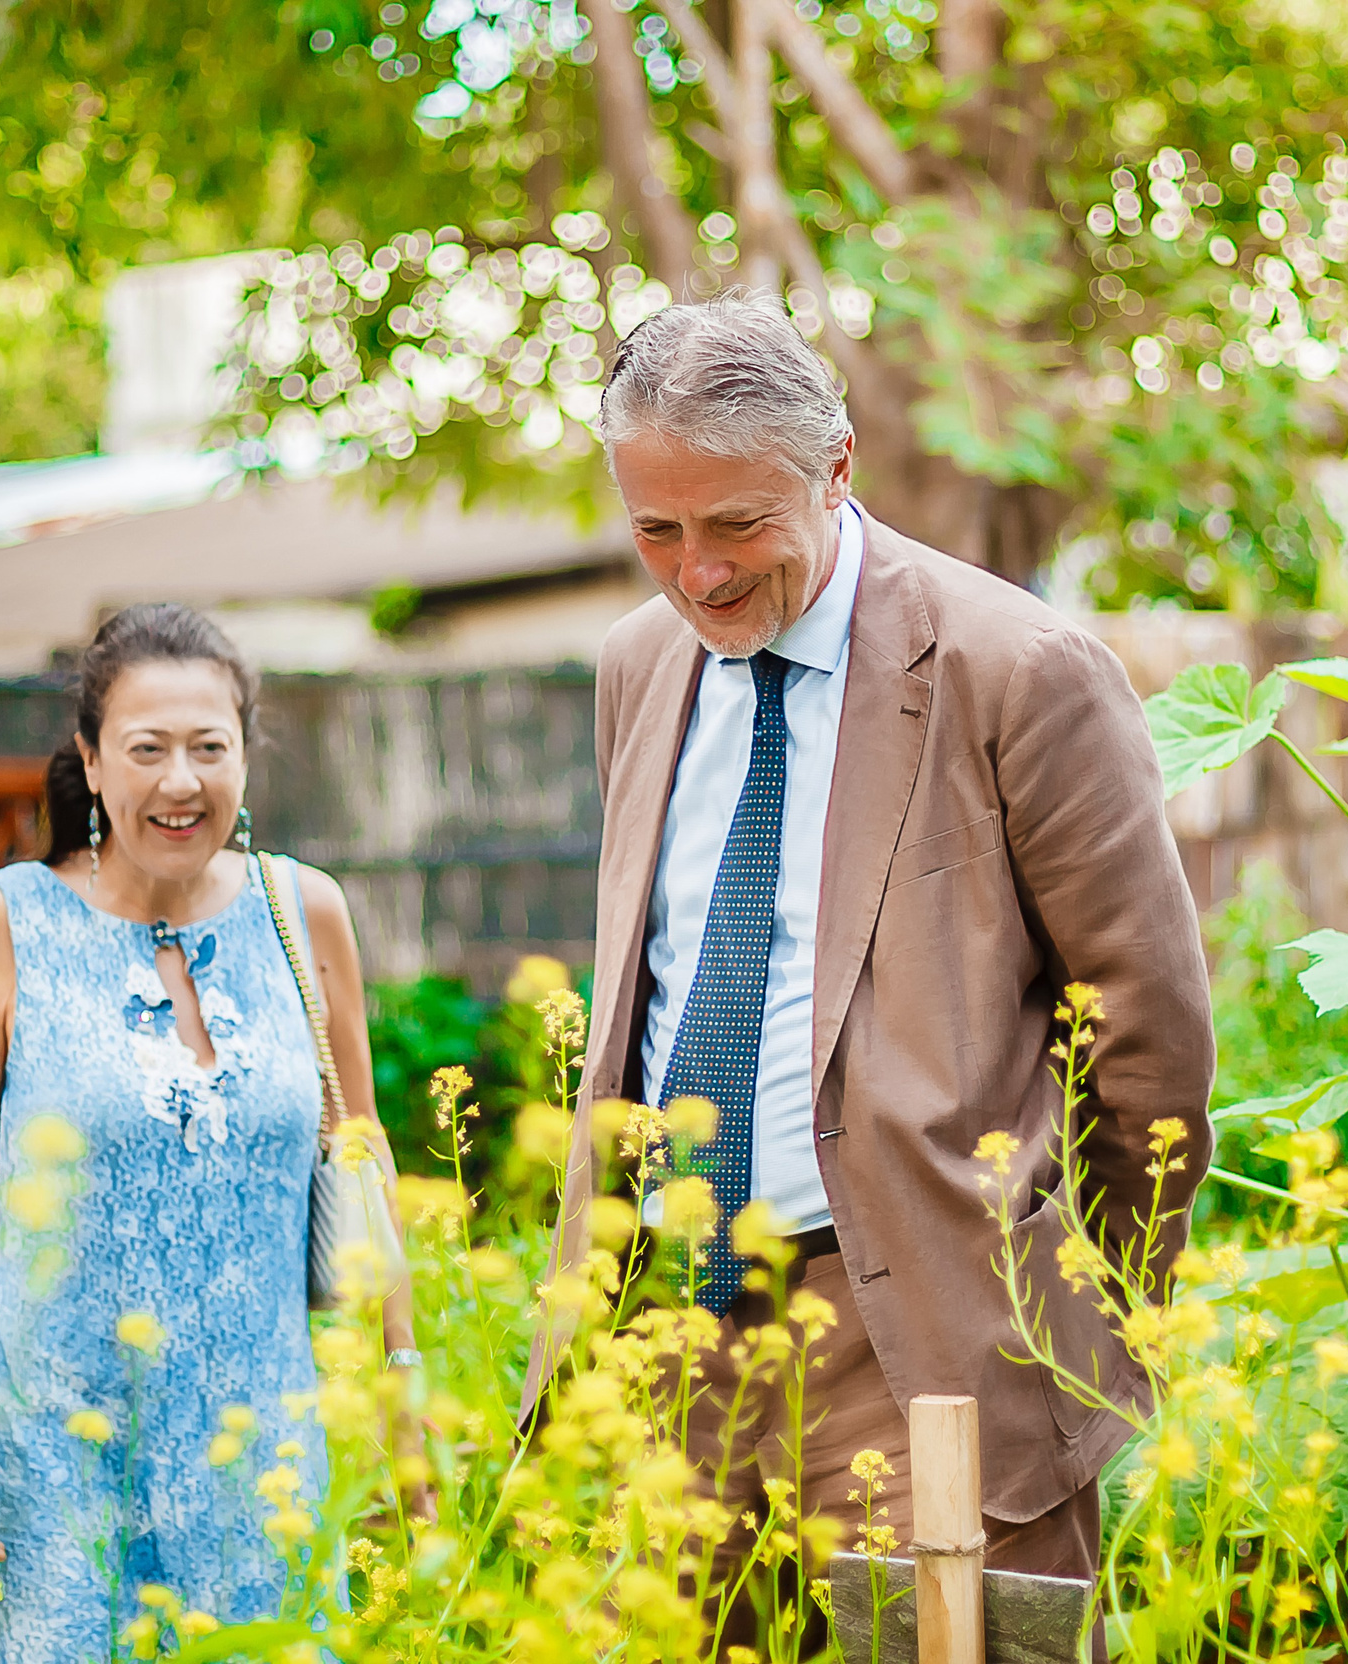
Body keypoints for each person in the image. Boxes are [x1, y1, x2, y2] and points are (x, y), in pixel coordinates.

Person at [521, 295, 1215, 1630]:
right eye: (655, 532)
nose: (697, 576)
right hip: (664, 1336)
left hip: (924, 1345)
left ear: (837, 470)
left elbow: (1149, 1043)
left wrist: (1081, 1320)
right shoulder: (636, 664)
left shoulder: (1022, 669)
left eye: (736, 526)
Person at [0, 603, 421, 1663]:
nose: (180, 780)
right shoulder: (11, 921)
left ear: (245, 753)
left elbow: (358, 1152)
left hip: (259, 1435)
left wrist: (399, 1384)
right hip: (59, 1440)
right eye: (146, 748)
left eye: (208, 747)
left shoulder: (302, 908)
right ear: (90, 761)